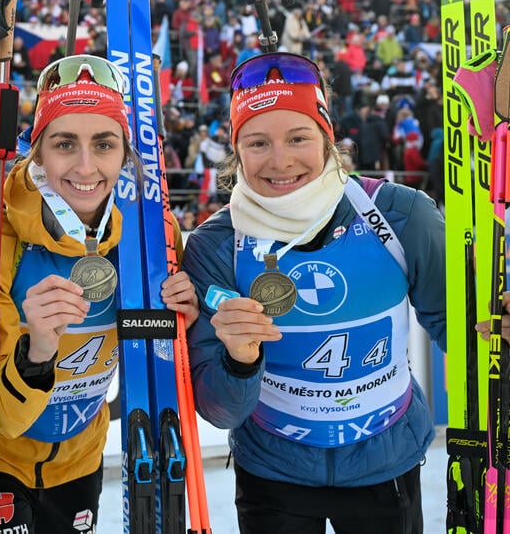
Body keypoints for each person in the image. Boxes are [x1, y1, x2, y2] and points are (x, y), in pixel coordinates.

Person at [182, 51, 446, 533]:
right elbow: (219, 412)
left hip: (384, 467)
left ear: (327, 138)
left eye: (298, 137)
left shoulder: (403, 215)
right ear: (236, 150)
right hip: (272, 475)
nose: (280, 161)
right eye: (258, 142)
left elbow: (464, 332)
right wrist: (240, 360)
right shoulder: (215, 246)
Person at [0, 55, 199, 531]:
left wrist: (185, 321)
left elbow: (158, 363)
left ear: (124, 152)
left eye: (104, 144)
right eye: (64, 144)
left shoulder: (151, 233)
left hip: (81, 460)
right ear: (37, 151)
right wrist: (37, 351)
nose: (86, 167)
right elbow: (8, 420)